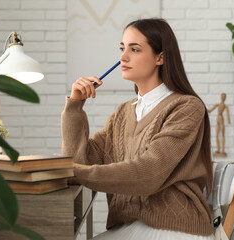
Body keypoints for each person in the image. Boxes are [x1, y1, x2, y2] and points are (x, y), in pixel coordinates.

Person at [61, 18, 214, 240]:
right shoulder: (123, 114)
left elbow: (148, 173)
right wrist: (75, 106)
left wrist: (71, 171)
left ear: (160, 57)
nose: (123, 57)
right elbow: (81, 161)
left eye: (135, 49)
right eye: (123, 48)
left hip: (173, 229)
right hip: (132, 227)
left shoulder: (187, 107)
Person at [208, 93, 231, 157]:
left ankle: (223, 150)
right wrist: (206, 109)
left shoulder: (225, 106)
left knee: (223, 135)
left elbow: (227, 114)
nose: (223, 98)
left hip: (221, 118)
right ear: (221, 97)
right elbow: (210, 110)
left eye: (224, 97)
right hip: (218, 118)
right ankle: (218, 150)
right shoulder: (217, 105)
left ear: (225, 98)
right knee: (217, 135)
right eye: (222, 96)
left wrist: (229, 120)